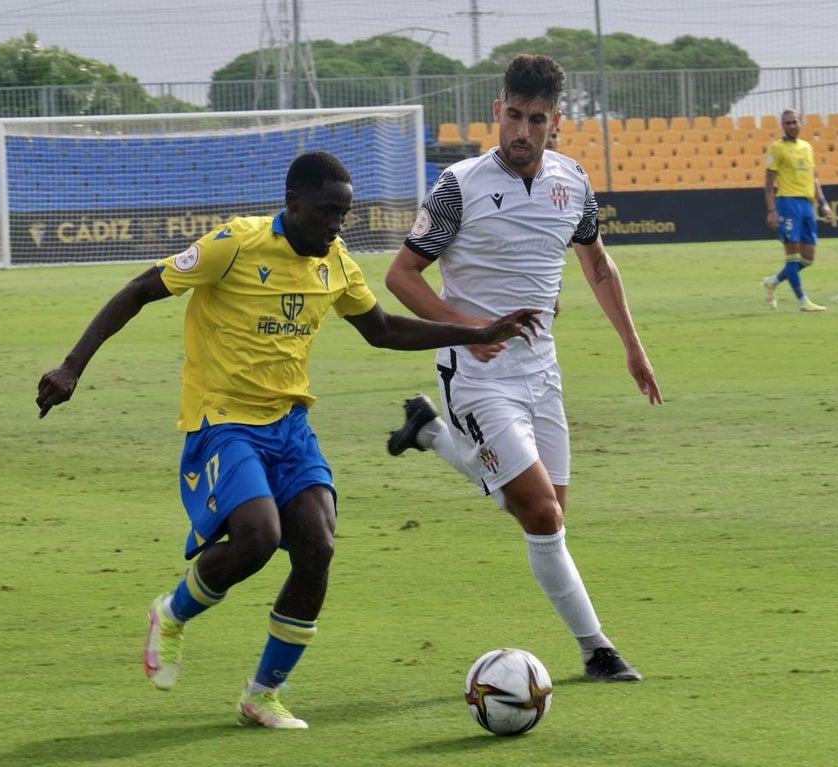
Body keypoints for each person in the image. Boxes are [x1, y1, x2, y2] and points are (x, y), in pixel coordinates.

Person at [36, 151, 542, 730]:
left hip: (289, 427)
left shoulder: (337, 264)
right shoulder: (235, 245)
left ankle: (262, 695)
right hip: (222, 420)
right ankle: (171, 614)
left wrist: (477, 330)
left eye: (344, 214)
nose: (337, 224)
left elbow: (382, 329)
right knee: (257, 536)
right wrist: (72, 366)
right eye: (328, 212)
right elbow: (138, 290)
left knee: (318, 547)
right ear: (293, 203)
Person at [383, 54, 662, 683]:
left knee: (542, 512)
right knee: (541, 513)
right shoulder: (460, 185)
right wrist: (468, 329)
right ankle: (598, 651)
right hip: (475, 373)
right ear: (497, 111)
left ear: (555, 122)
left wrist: (632, 345)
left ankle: (428, 434)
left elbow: (596, 264)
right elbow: (401, 276)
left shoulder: (574, 183)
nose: (522, 131)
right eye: (513, 115)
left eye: (536, 119)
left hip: (542, 371)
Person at [761, 108, 831, 312]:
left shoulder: (807, 147)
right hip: (788, 203)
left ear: (801, 123)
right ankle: (803, 300)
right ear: (782, 126)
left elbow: (814, 177)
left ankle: (773, 282)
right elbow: (768, 184)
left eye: (794, 122)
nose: (791, 126)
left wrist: (823, 202)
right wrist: (772, 211)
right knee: (792, 256)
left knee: (808, 258)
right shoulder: (776, 148)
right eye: (787, 123)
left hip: (807, 204)